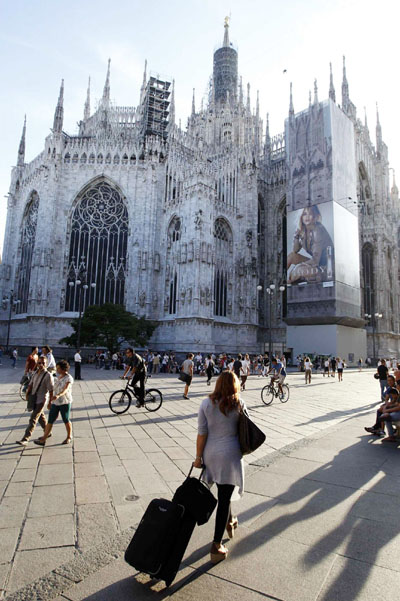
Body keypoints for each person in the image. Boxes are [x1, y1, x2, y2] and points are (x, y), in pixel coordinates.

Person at [194, 371, 244, 564]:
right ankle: (216, 545)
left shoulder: (206, 403)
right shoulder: (239, 404)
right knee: (224, 497)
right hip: (230, 455)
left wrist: (198, 458)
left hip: (210, 454)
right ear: (235, 385)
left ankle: (230, 521)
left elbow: (202, 433)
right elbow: (245, 431)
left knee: (219, 491)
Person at [287, 205, 334, 284]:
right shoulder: (304, 230)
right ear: (301, 217)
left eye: (310, 214)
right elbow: (295, 250)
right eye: (304, 214)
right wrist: (296, 235)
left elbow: (315, 261)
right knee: (292, 256)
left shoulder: (318, 230)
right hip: (317, 263)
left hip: (327, 268)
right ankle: (280, 281)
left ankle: (289, 283)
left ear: (315, 216)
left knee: (298, 270)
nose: (307, 217)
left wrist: (297, 267)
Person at [34, 360, 74, 446]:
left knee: (66, 419)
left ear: (64, 369)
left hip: (64, 402)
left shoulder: (68, 378)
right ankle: (43, 439)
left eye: (58, 368)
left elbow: (66, 389)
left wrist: (59, 395)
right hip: (55, 402)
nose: (57, 369)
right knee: (51, 419)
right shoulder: (56, 377)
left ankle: (69, 437)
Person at [16, 356, 54, 446]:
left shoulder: (48, 375)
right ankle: (47, 431)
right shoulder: (35, 373)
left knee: (33, 418)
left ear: (46, 364)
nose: (41, 365)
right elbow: (31, 384)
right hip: (34, 398)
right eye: (39, 363)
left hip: (41, 399)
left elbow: (51, 390)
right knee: (40, 416)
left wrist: (50, 403)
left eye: (43, 363)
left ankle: (26, 438)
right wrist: (27, 394)